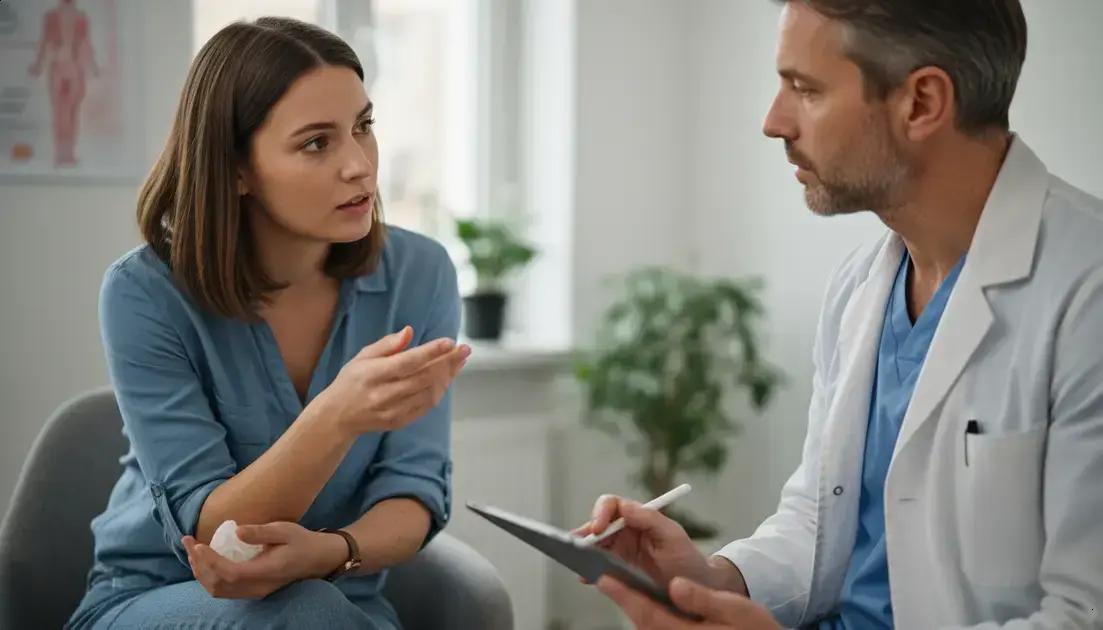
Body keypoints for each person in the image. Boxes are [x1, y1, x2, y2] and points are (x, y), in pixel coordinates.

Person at [579, 1, 1103, 628]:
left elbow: (1083, 614)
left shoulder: (1085, 291)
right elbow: (822, 522)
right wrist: (713, 578)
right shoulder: (861, 286)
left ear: (922, 103)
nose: (774, 123)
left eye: (805, 89)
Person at [66, 17, 470, 630]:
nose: (360, 165)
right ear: (236, 170)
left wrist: (333, 553)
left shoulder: (421, 273)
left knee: (315, 610)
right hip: (159, 597)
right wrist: (336, 416)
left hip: (338, 602)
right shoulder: (143, 293)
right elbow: (217, 535)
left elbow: (414, 488)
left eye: (363, 127)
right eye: (317, 143)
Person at [28, 0, 99, 167]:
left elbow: (44, 43)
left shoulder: (52, 17)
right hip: (72, 69)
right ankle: (67, 154)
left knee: (61, 113)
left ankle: (62, 154)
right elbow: (86, 45)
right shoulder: (79, 17)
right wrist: (93, 67)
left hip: (59, 67)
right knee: (71, 113)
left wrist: (38, 65)